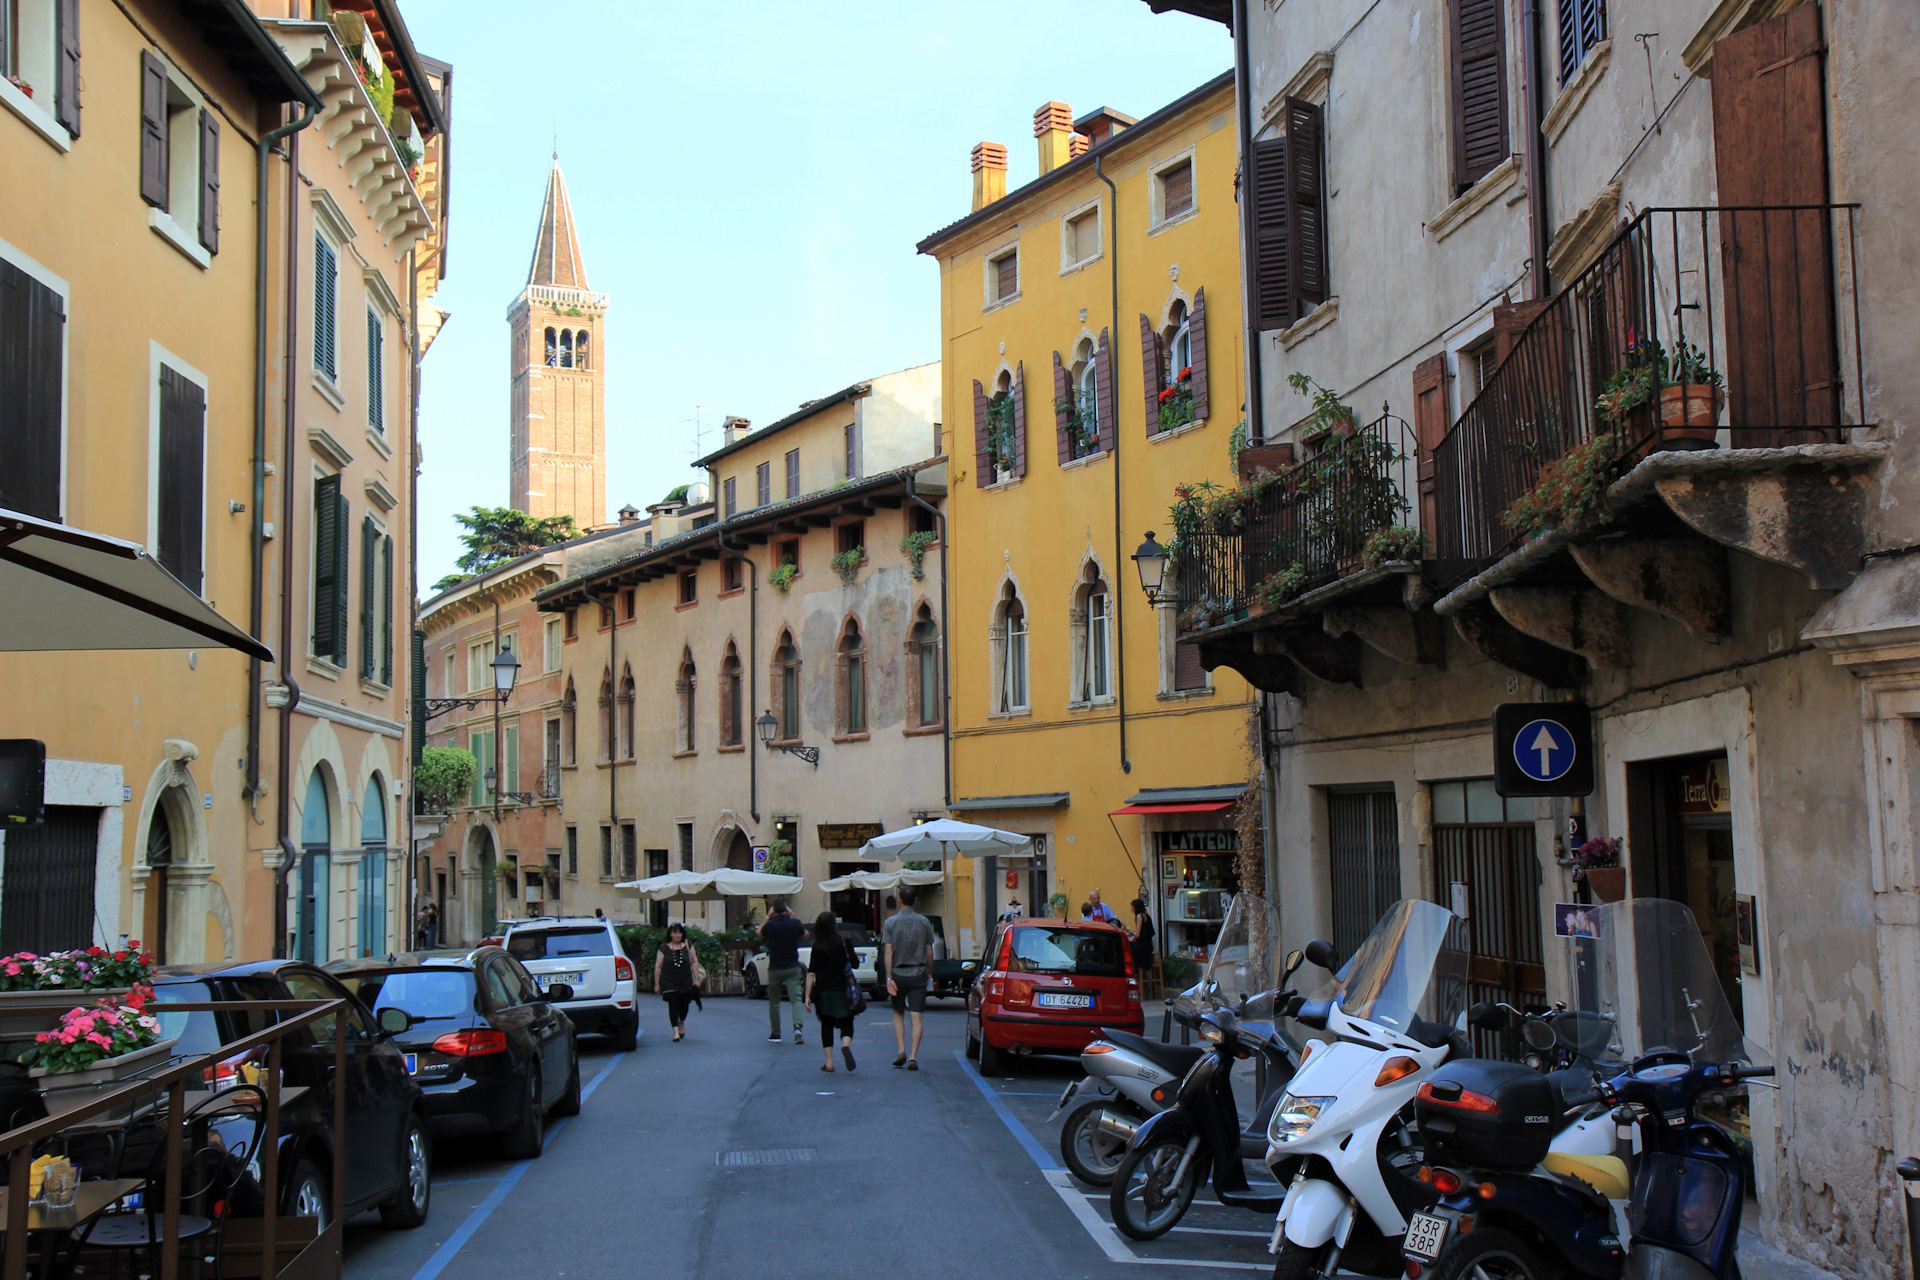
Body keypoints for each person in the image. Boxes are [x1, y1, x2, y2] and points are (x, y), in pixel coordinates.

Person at [883, 885, 936, 1070]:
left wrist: (889, 977)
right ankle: (913, 1055)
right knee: (917, 1017)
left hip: (898, 973)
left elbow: (888, 951)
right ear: (915, 901)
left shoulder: (890, 923)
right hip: (918, 972)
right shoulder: (923, 922)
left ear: (899, 901)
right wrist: (929, 973)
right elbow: (930, 951)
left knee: (898, 1013)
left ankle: (901, 1050)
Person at [805, 910, 858, 1073]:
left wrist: (807, 996)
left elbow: (811, 973)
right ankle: (846, 1045)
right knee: (847, 1021)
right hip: (843, 989)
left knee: (826, 1024)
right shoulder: (844, 942)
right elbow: (855, 963)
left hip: (824, 991)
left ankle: (829, 1063)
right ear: (834, 925)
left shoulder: (817, 945)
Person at [759, 898, 811, 1044]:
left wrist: (767, 917)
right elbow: (806, 935)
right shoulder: (794, 923)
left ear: (774, 910)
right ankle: (797, 1026)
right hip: (792, 966)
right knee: (795, 999)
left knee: (774, 1001)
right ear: (787, 909)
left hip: (775, 966)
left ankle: (776, 1033)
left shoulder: (770, 925)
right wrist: (793, 917)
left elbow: (759, 933)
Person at [654, 922, 704, 1042]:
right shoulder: (664, 947)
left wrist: (697, 978)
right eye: (675, 933)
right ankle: (675, 1030)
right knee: (673, 1003)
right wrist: (657, 984)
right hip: (669, 980)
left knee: (684, 1004)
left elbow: (694, 962)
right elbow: (658, 966)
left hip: (685, 980)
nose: (677, 935)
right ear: (670, 934)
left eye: (679, 932)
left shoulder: (688, 945)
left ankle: (681, 1021)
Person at [1130, 898, 1157, 977]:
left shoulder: (1139, 916)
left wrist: (1132, 938)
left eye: (1132, 906)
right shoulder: (1146, 916)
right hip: (1148, 945)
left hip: (1142, 947)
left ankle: (1135, 974)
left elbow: (1138, 935)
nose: (1131, 908)